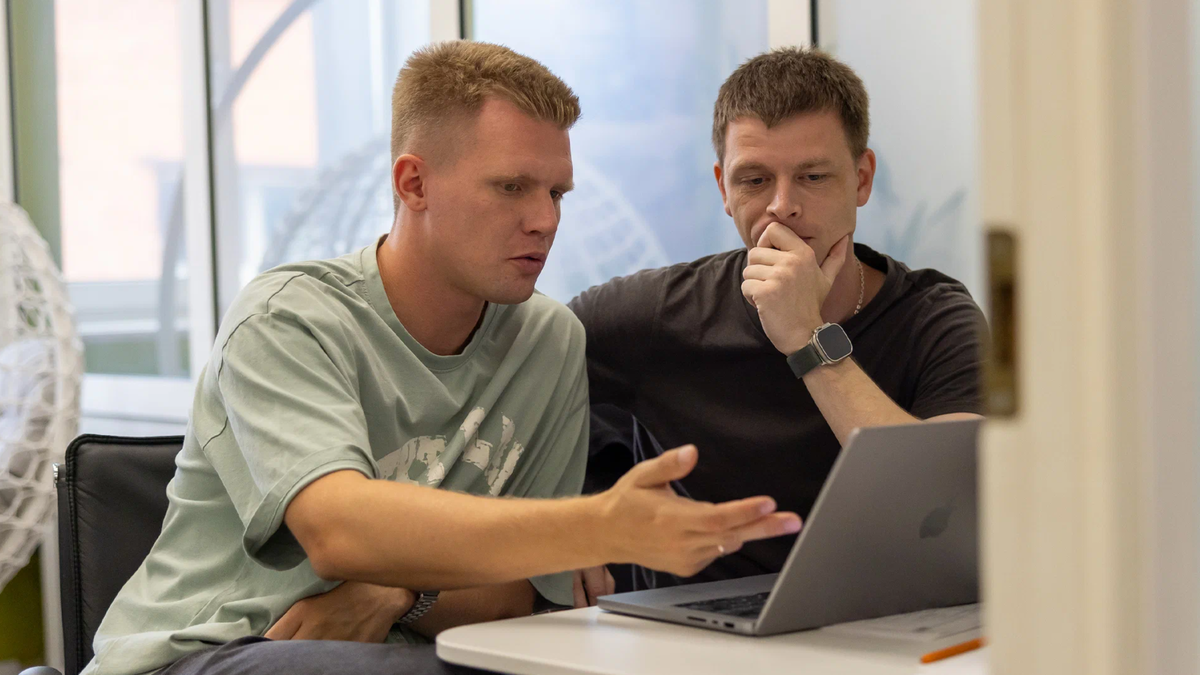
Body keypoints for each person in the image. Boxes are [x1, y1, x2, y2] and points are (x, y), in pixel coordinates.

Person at [83, 42, 800, 675]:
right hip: (206, 651)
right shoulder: (287, 318)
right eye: (511, 187)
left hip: (408, 655)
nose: (545, 219)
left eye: (555, 192)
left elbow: (517, 597)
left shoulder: (549, 340)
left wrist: (402, 590)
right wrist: (604, 524)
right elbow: (339, 530)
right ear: (414, 183)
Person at [570, 47, 985, 591]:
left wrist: (809, 340)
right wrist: (568, 525)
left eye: (812, 176)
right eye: (754, 180)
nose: (782, 205)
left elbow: (945, 499)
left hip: (889, 618)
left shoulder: (937, 319)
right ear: (723, 188)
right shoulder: (655, 314)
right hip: (699, 626)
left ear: (862, 179)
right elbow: (502, 375)